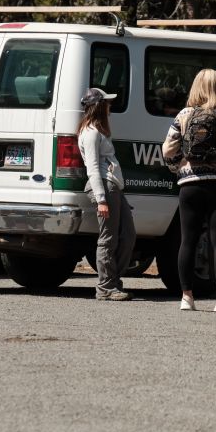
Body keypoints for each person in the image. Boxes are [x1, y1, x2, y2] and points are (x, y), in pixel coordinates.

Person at [162, 69, 216, 313]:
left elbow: (167, 150)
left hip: (189, 185)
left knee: (187, 240)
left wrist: (180, 167)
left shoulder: (184, 114)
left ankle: (186, 298)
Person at [77, 87, 136, 301]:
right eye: (107, 103)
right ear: (99, 106)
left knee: (128, 235)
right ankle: (105, 286)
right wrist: (102, 199)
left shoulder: (98, 130)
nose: (110, 106)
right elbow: (92, 168)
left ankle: (113, 280)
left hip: (113, 187)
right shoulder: (91, 133)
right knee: (108, 238)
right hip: (104, 186)